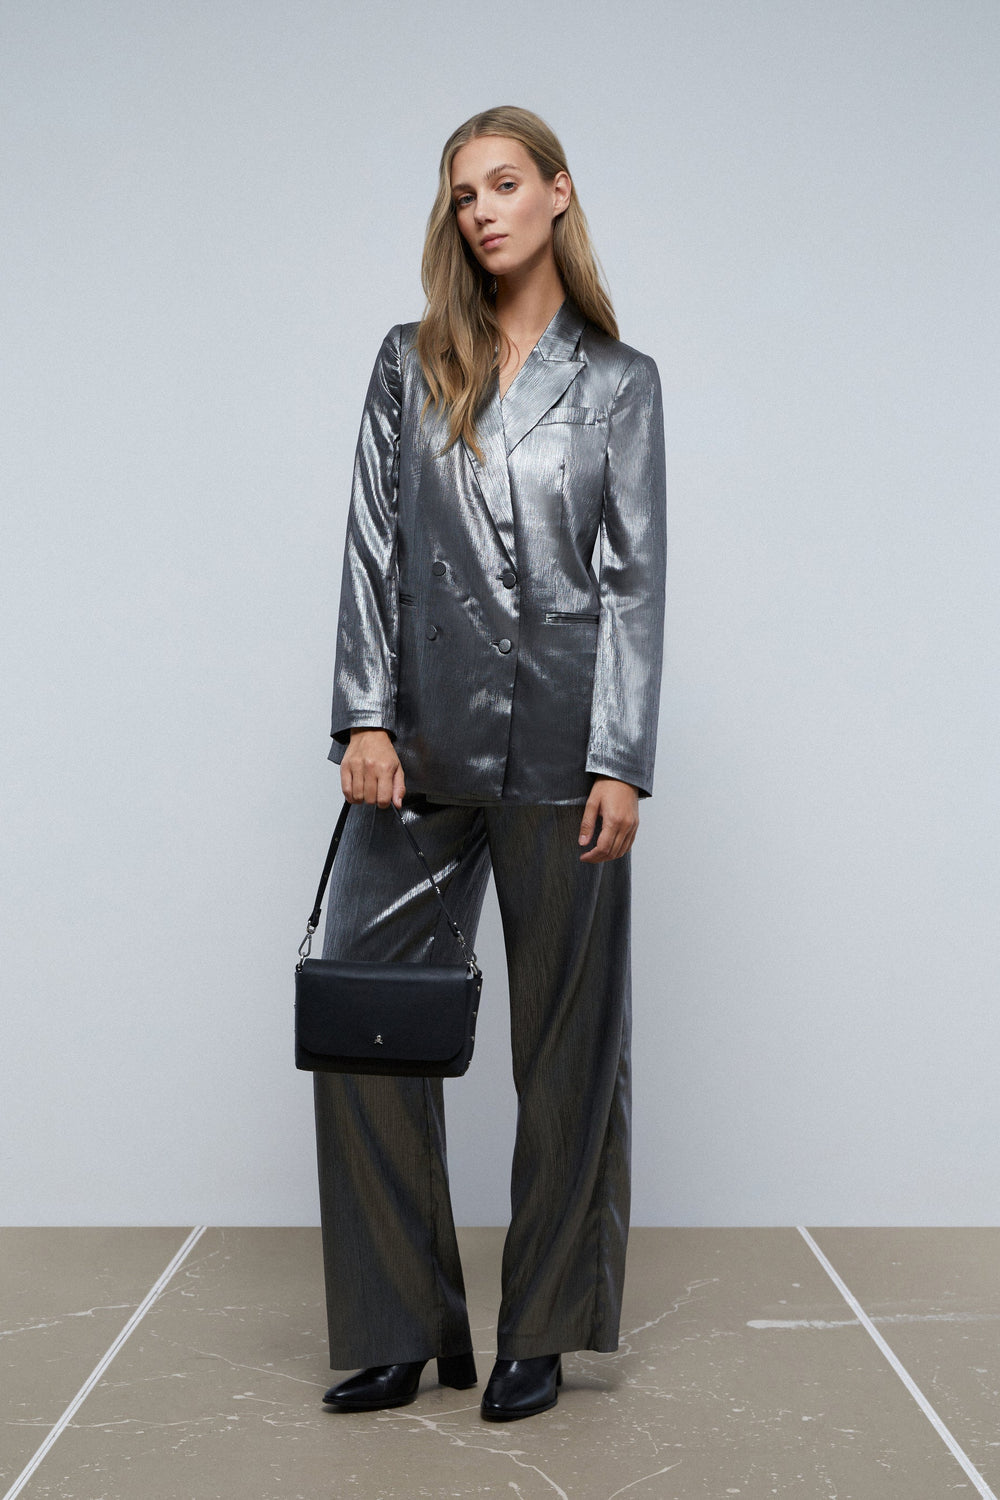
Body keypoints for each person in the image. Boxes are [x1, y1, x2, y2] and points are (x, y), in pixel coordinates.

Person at [312, 104, 666, 1423]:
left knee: (569, 1048)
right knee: (362, 1019)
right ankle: (401, 1324)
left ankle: (545, 1328)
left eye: (505, 184)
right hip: (416, 745)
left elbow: (633, 582)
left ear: (557, 193)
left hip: (567, 748)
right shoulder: (408, 362)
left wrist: (621, 757)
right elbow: (372, 544)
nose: (483, 211)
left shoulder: (621, 382)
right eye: (464, 194)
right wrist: (364, 717)